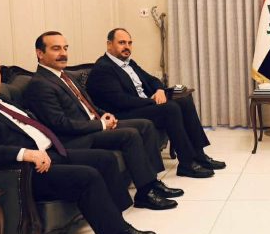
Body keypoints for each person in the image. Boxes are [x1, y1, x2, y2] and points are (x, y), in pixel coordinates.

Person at [0, 45, 162, 234]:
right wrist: (23, 153)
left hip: (50, 153)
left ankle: (119, 226)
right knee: (87, 177)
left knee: (104, 159)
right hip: (21, 172)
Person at [24, 31, 181, 210]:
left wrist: (104, 114)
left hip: (92, 125)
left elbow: (87, 104)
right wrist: (100, 125)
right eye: (56, 49)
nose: (63, 53)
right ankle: (145, 193)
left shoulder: (64, 76)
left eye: (65, 48)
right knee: (129, 135)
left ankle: (152, 182)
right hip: (75, 138)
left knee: (144, 125)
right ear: (40, 53)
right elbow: (60, 124)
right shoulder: (40, 84)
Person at [85, 28, 224, 178]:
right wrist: (151, 102)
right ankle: (187, 164)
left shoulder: (129, 63)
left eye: (130, 43)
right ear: (109, 44)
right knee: (170, 108)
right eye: (122, 43)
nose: (127, 47)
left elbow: (152, 80)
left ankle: (199, 155)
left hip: (141, 105)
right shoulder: (103, 68)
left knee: (184, 99)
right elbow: (120, 100)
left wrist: (159, 90)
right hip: (123, 113)